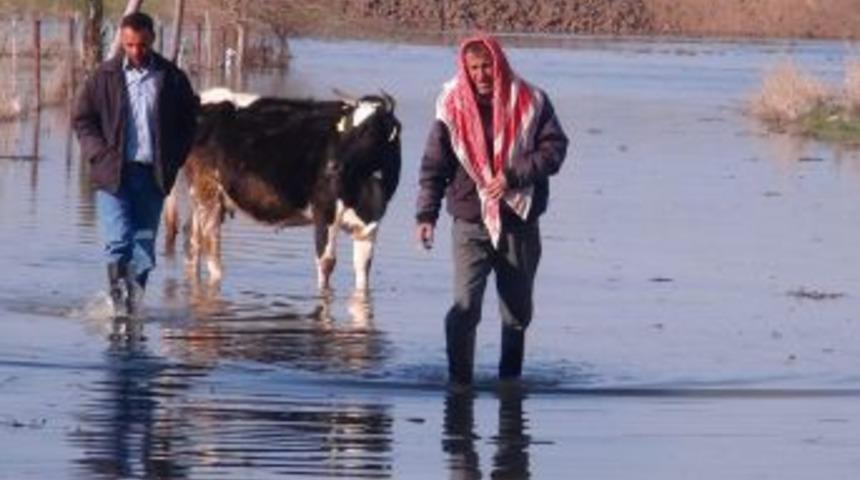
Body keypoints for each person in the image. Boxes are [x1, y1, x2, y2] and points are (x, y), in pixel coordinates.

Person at [415, 35, 568, 386]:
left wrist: (513, 175)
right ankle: (459, 383)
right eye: (474, 68)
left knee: (517, 313)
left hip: (519, 221)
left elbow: (555, 149)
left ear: (498, 64)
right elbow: (433, 166)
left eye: (487, 66)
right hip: (470, 221)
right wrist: (426, 216)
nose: (482, 74)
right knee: (464, 308)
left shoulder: (531, 101)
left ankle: (509, 383)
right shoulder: (450, 106)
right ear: (464, 70)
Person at [73, 11, 198, 318]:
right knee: (118, 242)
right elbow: (82, 119)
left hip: (153, 175)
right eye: (129, 45)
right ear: (122, 41)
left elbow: (190, 122)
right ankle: (119, 310)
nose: (135, 51)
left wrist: (175, 158)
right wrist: (98, 153)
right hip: (113, 174)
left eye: (141, 45)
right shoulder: (104, 76)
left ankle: (133, 307)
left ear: (152, 40)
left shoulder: (172, 78)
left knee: (143, 248)